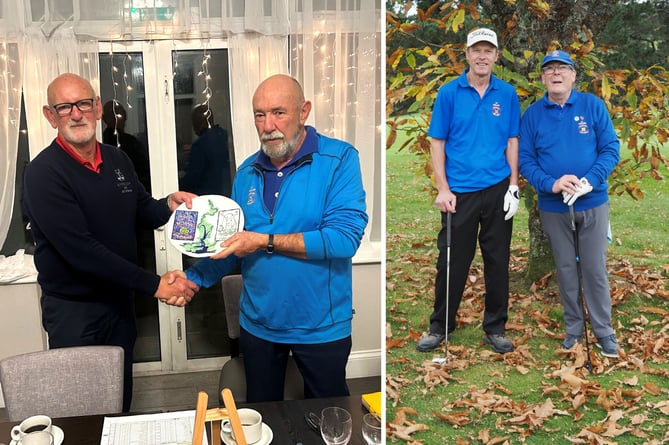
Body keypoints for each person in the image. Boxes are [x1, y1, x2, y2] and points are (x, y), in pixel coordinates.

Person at [23, 73, 200, 412]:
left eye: (84, 104)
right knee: (80, 408)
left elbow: (141, 209)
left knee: (118, 397)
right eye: (64, 107)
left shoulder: (117, 159)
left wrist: (168, 205)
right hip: (75, 312)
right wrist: (155, 285)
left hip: (119, 305)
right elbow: (81, 252)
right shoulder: (43, 173)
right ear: (50, 116)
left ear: (97, 108)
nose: (76, 114)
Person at [185, 74, 368, 402]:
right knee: (264, 418)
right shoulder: (246, 172)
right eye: (259, 114)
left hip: (321, 327)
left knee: (328, 420)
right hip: (259, 326)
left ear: (304, 111)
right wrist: (192, 279)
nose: (268, 125)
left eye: (279, 112)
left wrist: (264, 241)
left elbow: (343, 239)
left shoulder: (339, 160)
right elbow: (232, 244)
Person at [417, 28, 521, 354]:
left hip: (497, 189)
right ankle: (440, 326)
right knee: (452, 261)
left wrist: (514, 187)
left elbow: (512, 141)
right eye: (476, 50)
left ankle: (495, 327)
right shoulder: (449, 93)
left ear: (496, 56)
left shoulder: (507, 94)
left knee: (497, 261)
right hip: (458, 193)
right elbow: (438, 142)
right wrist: (442, 188)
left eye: (488, 50)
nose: (482, 56)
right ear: (467, 54)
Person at [518, 50, 621, 358]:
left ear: (574, 75)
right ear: (543, 78)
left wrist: (589, 180)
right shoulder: (533, 114)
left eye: (562, 68)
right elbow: (525, 159)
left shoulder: (592, 105)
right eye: (550, 70)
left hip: (592, 202)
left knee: (594, 269)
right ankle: (574, 330)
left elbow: (610, 148)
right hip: (554, 206)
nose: (556, 74)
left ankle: (604, 332)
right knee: (565, 269)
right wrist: (551, 183)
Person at [179, 104, 232, 196]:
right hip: (228, 193)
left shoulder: (200, 145)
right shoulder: (225, 136)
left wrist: (177, 184)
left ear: (200, 122)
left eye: (194, 122)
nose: (194, 126)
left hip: (207, 197)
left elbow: (193, 178)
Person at [102, 100, 152, 192]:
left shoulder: (131, 141)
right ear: (104, 118)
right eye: (112, 113)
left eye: (118, 113)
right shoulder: (103, 143)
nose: (116, 117)